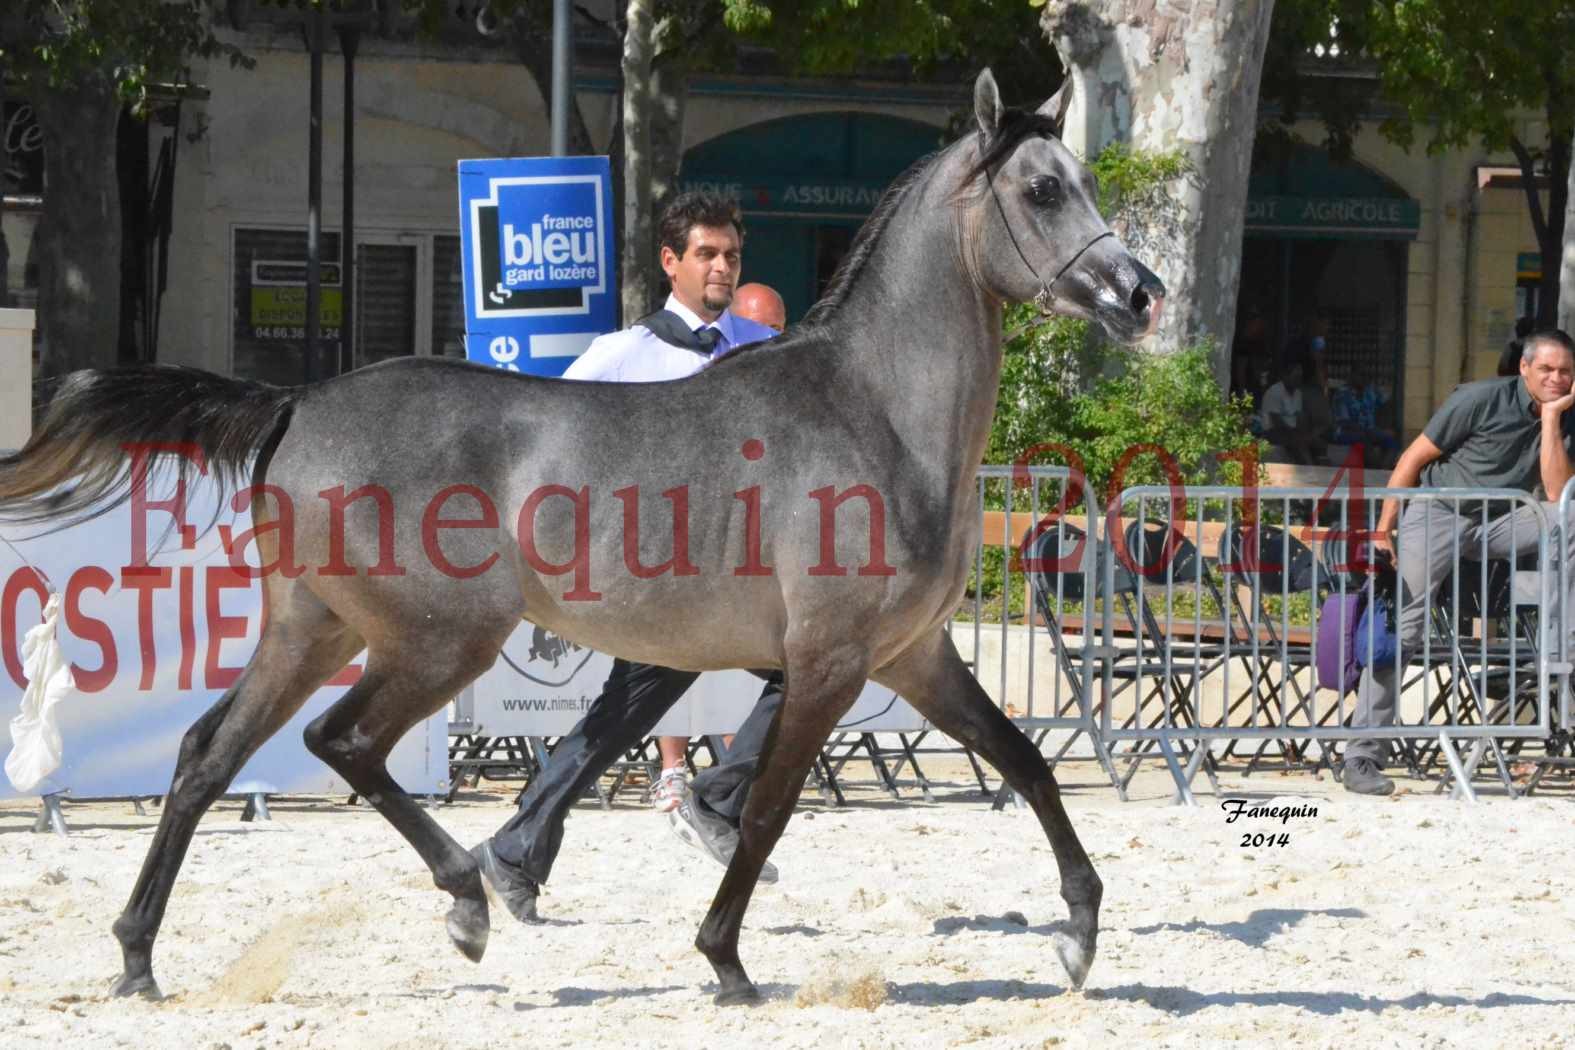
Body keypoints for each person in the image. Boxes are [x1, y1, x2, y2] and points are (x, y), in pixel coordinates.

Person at [469, 193, 786, 922]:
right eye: (705, 254)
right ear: (670, 262)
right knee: (797, 671)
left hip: (744, 578)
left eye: (730, 254)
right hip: (659, 578)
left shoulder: (765, 352)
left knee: (807, 671)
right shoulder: (622, 354)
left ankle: (520, 849)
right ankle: (715, 797)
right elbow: (545, 443)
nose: (721, 267)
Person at [1340, 329, 1575, 795]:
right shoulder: (1479, 398)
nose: (1556, 378)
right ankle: (1362, 754)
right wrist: (1385, 525)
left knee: (1569, 515)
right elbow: (1413, 458)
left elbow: (1555, 494)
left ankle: (1563, 639)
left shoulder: (1565, 413)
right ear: (1524, 368)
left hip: (1502, 519)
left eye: (1565, 371)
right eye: (1546, 369)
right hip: (1439, 511)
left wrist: (1551, 420)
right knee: (1404, 630)